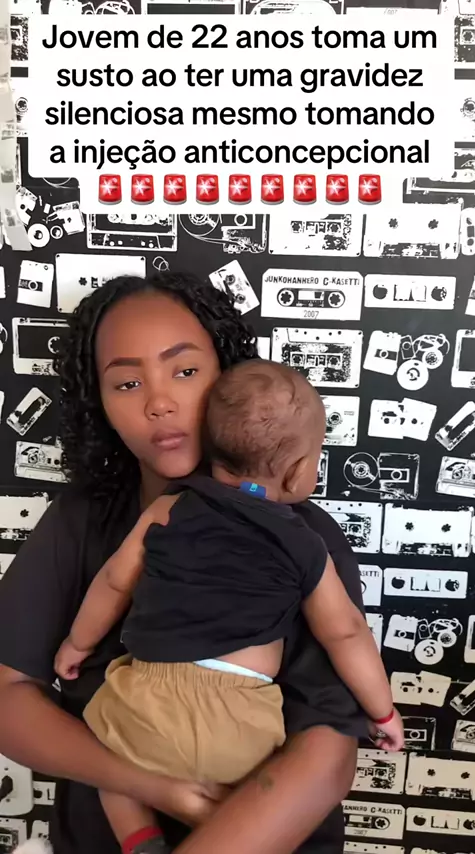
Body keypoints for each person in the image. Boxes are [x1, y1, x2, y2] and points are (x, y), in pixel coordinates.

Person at [0, 272, 369, 854]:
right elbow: (7, 695)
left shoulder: (303, 536)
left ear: (229, 379)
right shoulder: (80, 521)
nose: (159, 402)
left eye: (186, 371)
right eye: (127, 382)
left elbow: (328, 751)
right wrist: (153, 788)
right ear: (100, 404)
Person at [53, 358, 403, 854]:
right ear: (299, 472)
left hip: (145, 703)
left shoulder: (168, 509)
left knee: (105, 752)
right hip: (242, 725)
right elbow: (345, 632)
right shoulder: (306, 544)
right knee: (261, 789)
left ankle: (140, 839)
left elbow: (114, 582)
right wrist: (382, 712)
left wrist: (77, 643)